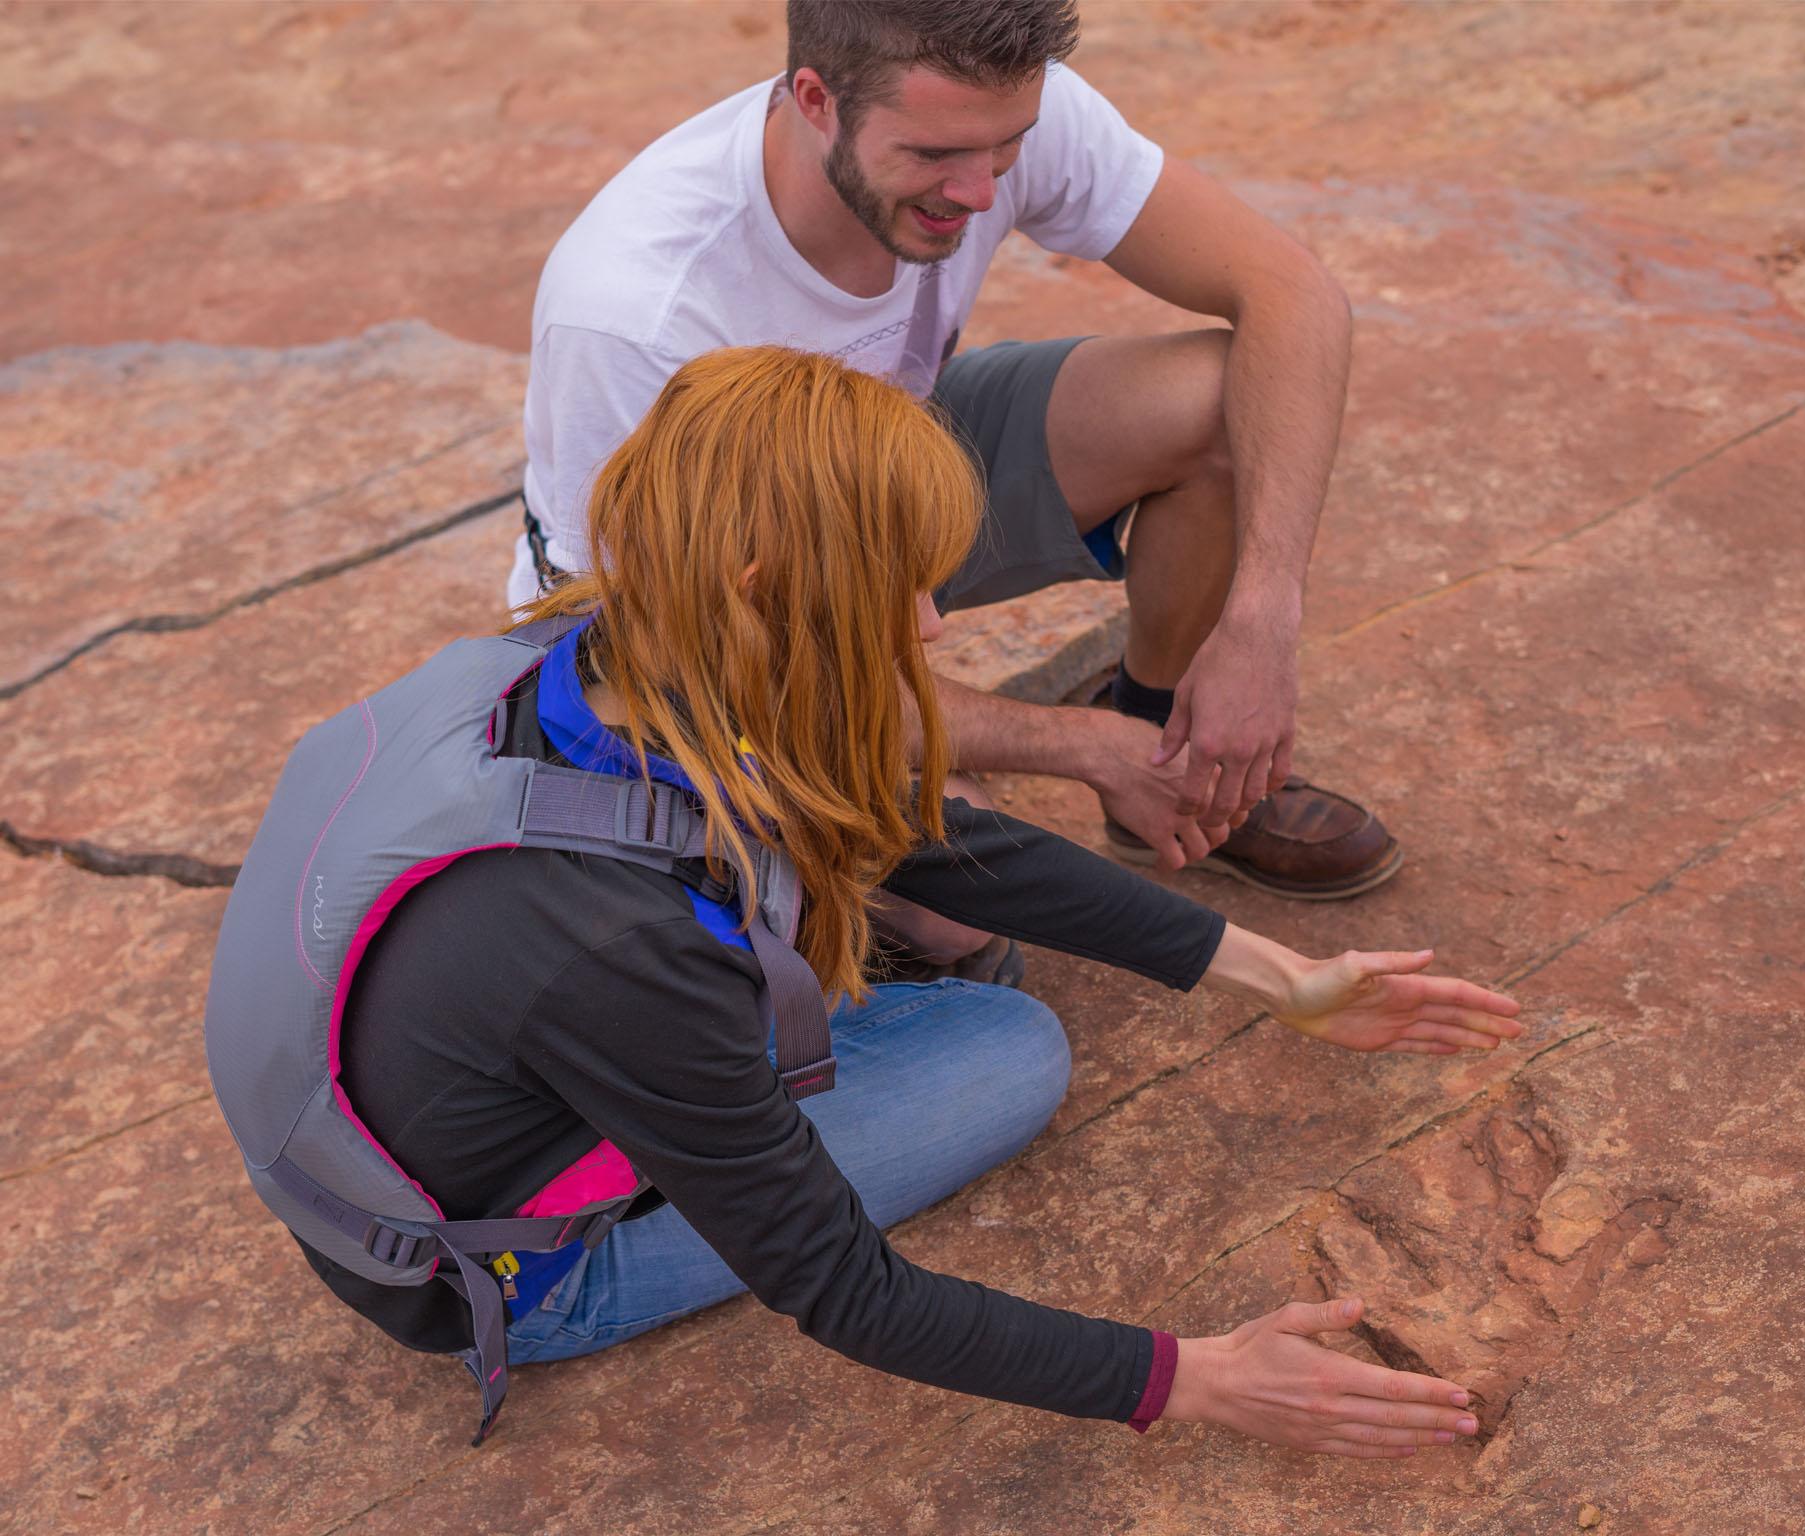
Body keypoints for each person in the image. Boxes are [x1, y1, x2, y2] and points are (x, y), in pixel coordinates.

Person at [297, 347, 1523, 1456]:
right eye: (903, 586)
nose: (932, 625)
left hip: (429, 1108)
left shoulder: (600, 650)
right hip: (503, 1269)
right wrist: (1192, 1380)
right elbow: (840, 1288)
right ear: (761, 581)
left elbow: (911, 831)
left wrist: (1277, 978)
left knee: (902, 928)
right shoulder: (613, 952)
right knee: (1003, 1047)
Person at [513, 0, 1396, 966]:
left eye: (1008, 146)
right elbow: (696, 658)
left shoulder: (988, 114)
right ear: (815, 99)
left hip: (899, 467)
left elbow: (1293, 292)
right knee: (965, 910)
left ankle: (1167, 753)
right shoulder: (639, 310)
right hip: (713, 620)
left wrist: (1263, 619)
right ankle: (1107, 765)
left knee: (1220, 400)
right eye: (936, 155)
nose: (979, 194)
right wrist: (1076, 745)